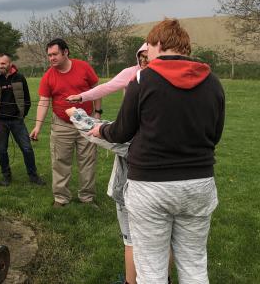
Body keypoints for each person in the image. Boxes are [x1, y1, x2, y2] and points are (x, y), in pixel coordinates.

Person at [91, 19, 225, 284]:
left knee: (151, 269)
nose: (147, 55)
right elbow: (215, 134)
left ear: (159, 44)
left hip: (150, 187)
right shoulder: (213, 81)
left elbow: (122, 131)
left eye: (149, 48)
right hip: (198, 184)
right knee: (194, 264)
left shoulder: (143, 78)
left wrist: (99, 131)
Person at [66, 43, 149, 284]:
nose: (144, 62)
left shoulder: (138, 132)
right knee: (161, 239)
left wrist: (77, 116)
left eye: (148, 57)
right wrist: (82, 96)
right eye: (141, 58)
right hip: (171, 182)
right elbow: (108, 86)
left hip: (135, 181)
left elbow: (109, 135)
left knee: (132, 240)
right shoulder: (133, 73)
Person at [29, 38, 101, 208]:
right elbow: (44, 102)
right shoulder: (48, 76)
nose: (51, 58)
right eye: (49, 55)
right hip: (62, 124)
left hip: (87, 122)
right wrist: (38, 126)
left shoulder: (83, 67)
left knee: (88, 161)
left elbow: (97, 89)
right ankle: (61, 199)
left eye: (54, 54)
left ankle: (87, 198)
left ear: (65, 52)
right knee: (60, 162)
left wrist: (97, 113)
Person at [0, 53, 45, 186]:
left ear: (10, 63)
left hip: (17, 121)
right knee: (1, 150)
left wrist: (22, 114)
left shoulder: (19, 78)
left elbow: (27, 99)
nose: (0, 66)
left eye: (3, 63)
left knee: (27, 148)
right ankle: (6, 177)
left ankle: (33, 176)